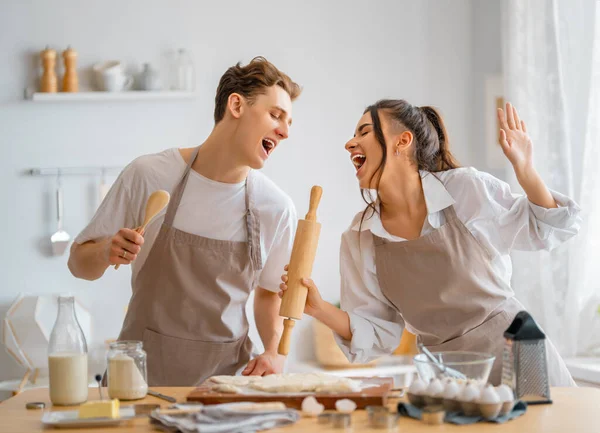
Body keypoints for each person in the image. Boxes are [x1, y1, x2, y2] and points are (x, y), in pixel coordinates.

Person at [279, 100, 580, 385]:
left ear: (402, 141)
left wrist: (525, 170)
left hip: (518, 354)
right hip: (450, 375)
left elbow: (547, 227)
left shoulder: (464, 191)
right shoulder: (361, 236)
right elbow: (378, 333)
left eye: (365, 132)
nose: (349, 143)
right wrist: (319, 309)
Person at [68, 56, 301, 386]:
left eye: (289, 122)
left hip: (224, 389)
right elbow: (78, 264)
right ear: (236, 105)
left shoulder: (275, 208)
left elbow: (269, 293)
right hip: (137, 383)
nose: (285, 132)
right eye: (276, 115)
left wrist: (275, 351)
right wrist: (107, 249)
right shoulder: (150, 175)